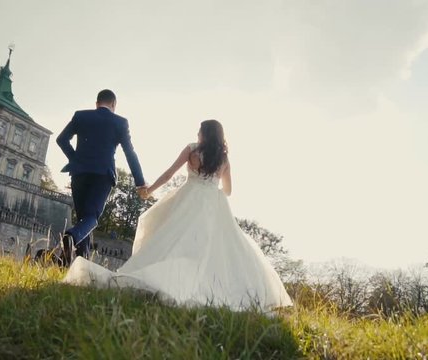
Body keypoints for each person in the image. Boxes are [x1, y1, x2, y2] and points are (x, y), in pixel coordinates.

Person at [63, 120, 292, 312]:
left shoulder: (192, 149)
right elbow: (229, 191)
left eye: (199, 131)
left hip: (188, 196)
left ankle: (160, 278)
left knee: (172, 238)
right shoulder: (223, 159)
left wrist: (148, 190)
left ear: (203, 134)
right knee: (208, 249)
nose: (197, 134)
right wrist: (214, 191)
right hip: (212, 203)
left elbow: (169, 173)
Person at [56, 89, 147, 266]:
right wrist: (140, 182)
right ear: (114, 105)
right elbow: (130, 153)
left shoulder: (81, 116)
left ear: (97, 103)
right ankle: (71, 237)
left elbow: (61, 139)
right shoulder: (120, 122)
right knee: (91, 218)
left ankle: (77, 264)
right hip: (102, 175)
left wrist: (75, 159)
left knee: (84, 220)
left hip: (79, 172)